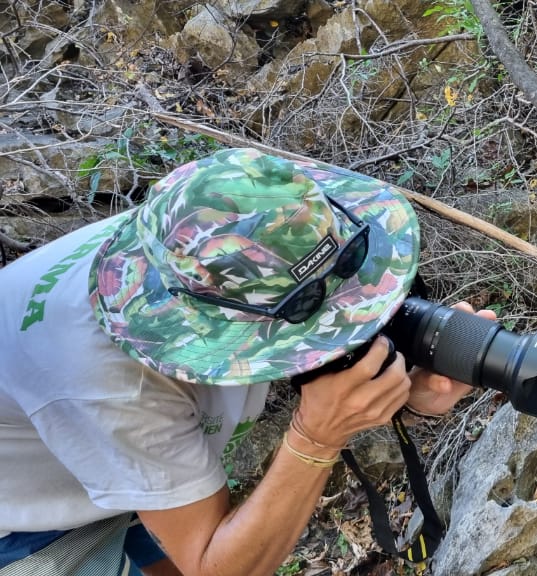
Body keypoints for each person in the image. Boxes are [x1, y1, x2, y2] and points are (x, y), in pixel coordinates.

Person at [0, 148, 492, 575]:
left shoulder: (218, 234)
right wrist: (315, 439)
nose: (329, 319)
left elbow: (303, 334)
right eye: (301, 307)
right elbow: (213, 567)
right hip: (26, 519)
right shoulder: (115, 386)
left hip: (98, 443)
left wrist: (406, 386)